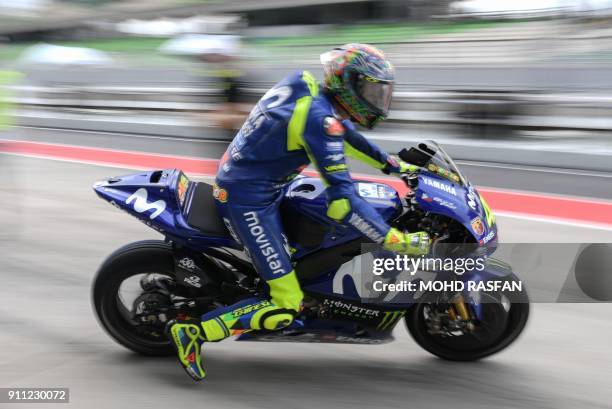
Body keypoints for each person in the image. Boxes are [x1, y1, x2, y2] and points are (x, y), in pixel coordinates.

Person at [167, 44, 430, 381]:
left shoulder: (307, 86)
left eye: (381, 93)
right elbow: (345, 203)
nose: (378, 100)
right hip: (249, 200)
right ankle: (195, 333)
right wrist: (398, 242)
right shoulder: (319, 120)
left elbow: (343, 132)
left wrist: (391, 164)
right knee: (287, 303)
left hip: (261, 182)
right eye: (371, 91)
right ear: (347, 85)